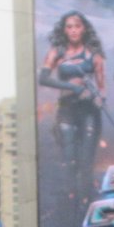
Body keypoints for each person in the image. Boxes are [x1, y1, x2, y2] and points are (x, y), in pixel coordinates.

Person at [38, 11, 107, 197]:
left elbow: (102, 88)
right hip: (66, 108)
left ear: (84, 29)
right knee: (69, 159)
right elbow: (43, 79)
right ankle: (70, 199)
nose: (74, 31)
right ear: (64, 30)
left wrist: (98, 99)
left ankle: (86, 198)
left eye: (77, 26)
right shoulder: (56, 53)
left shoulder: (94, 55)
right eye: (69, 27)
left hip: (88, 110)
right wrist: (71, 87)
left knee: (86, 161)